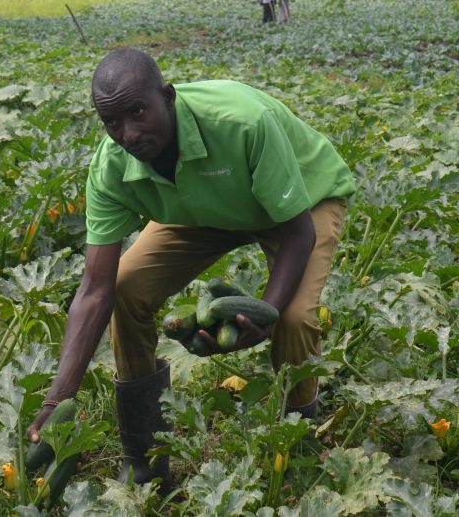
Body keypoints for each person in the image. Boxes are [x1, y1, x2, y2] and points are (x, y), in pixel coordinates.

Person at [27, 48, 355, 492]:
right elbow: (95, 289)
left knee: (294, 317)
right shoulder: (111, 168)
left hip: (301, 203)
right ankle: (145, 460)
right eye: (112, 122)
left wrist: (265, 312)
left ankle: (296, 450)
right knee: (125, 288)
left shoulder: (242, 123)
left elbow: (298, 234)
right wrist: (58, 396)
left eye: (138, 112)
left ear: (168, 96)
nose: (128, 133)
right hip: (199, 210)